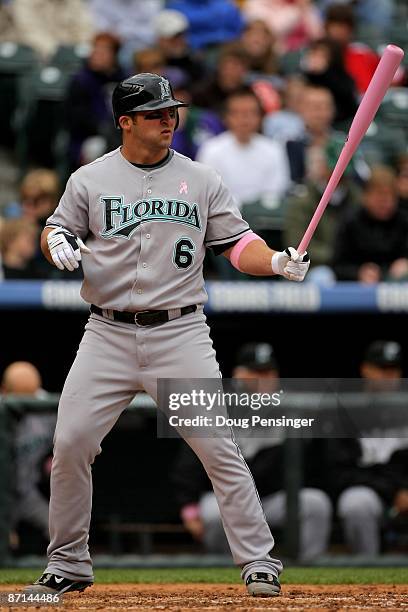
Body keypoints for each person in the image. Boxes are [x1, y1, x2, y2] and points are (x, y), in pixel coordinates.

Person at [23, 72, 310, 598]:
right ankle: (67, 562)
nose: (168, 120)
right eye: (155, 113)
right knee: (69, 443)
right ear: (125, 122)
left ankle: (258, 561)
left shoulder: (201, 179)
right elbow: (54, 229)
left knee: (218, 448)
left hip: (179, 332)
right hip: (106, 331)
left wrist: (276, 261)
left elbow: (237, 244)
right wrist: (56, 240)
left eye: (171, 111)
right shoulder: (88, 179)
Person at [173, 342, 332, 561]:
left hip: (272, 498)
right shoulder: (217, 405)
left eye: (269, 372)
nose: (265, 379)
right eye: (257, 372)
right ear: (239, 374)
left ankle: (307, 569)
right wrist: (189, 507)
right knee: (211, 514)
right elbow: (189, 463)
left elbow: (312, 464)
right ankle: (224, 569)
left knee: (315, 503)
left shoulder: (290, 407)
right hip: (226, 496)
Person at [325, 341, 408, 555]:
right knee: (356, 502)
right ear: (365, 369)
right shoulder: (346, 409)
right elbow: (339, 471)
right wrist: (393, 491)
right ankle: (369, 574)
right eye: (382, 369)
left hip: (402, 491)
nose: (389, 376)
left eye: (393, 369)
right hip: (372, 491)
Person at [196, 87, 290, 208]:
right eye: (237, 113)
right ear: (226, 117)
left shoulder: (273, 149)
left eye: (251, 113)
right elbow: (207, 191)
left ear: (260, 117)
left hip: (263, 218)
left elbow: (277, 190)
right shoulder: (211, 149)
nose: (244, 119)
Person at [1, 362, 56, 550]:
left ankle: (63, 571)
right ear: (4, 391)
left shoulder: (48, 406)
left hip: (27, 493)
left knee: (61, 530)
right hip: (2, 492)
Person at [332, 166, 408, 283]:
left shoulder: (403, 221)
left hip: (395, 284)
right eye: (379, 196)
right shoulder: (351, 221)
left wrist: (404, 263)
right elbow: (337, 265)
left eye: (389, 196)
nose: (385, 201)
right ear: (365, 196)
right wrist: (358, 273)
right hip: (355, 285)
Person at [64, 32, 125, 172]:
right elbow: (75, 118)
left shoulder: (123, 79)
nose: (97, 55)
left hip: (120, 134)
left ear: (114, 56)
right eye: (95, 50)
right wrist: (102, 128)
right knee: (95, 147)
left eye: (103, 51)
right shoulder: (81, 80)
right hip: (88, 136)